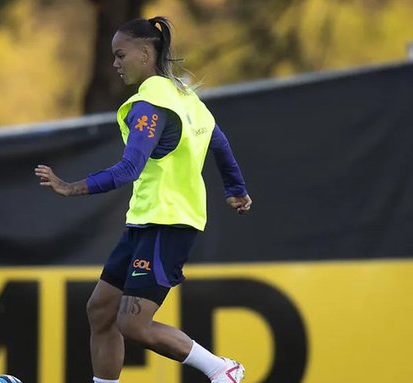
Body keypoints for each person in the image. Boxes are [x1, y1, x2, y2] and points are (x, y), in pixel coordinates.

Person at [34, 16, 252, 383]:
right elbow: (220, 142)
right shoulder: (186, 97)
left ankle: (220, 369)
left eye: (120, 55)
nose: (115, 64)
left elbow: (128, 169)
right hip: (147, 221)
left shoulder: (150, 104)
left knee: (132, 324)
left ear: (146, 53)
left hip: (166, 224)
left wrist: (70, 187)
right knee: (100, 310)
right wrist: (236, 189)